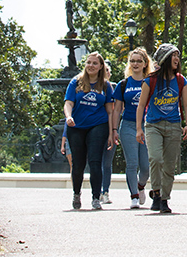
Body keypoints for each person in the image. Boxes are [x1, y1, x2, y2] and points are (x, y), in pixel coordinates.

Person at [136, 43, 187, 214]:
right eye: (173, 55)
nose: (177, 59)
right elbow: (141, 106)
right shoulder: (150, 80)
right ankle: (157, 192)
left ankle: (164, 199)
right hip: (153, 125)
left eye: (178, 56)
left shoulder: (180, 80)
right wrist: (139, 129)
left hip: (174, 125)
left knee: (169, 165)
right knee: (155, 158)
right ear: (165, 59)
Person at [64, 52, 114, 210]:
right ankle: (76, 194)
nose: (91, 66)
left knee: (95, 162)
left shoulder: (105, 86)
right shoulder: (76, 82)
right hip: (77, 126)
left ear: (100, 67)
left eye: (95, 63)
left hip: (98, 125)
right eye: (88, 63)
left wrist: (112, 132)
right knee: (78, 164)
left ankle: (95, 197)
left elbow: (110, 111)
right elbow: (68, 103)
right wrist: (68, 117)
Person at [112, 48, 152, 209]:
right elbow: (116, 109)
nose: (135, 64)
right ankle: (134, 196)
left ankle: (141, 186)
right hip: (128, 125)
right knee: (131, 163)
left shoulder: (150, 82)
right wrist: (114, 130)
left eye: (138, 61)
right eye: (132, 61)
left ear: (145, 64)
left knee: (146, 166)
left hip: (147, 126)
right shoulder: (123, 84)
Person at [100, 62, 116, 204]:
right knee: (97, 162)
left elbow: (117, 110)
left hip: (111, 130)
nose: (106, 73)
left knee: (107, 163)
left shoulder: (114, 88)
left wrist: (114, 131)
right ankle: (98, 191)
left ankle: (105, 191)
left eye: (107, 70)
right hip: (98, 128)